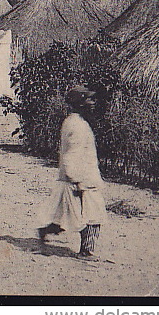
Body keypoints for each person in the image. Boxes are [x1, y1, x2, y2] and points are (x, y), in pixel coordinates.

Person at [38, 85, 106, 260]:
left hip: (79, 177)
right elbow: (71, 154)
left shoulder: (75, 122)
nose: (93, 103)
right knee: (92, 216)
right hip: (81, 178)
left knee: (68, 214)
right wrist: (75, 180)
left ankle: (47, 229)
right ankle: (86, 251)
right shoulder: (77, 125)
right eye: (89, 100)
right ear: (80, 103)